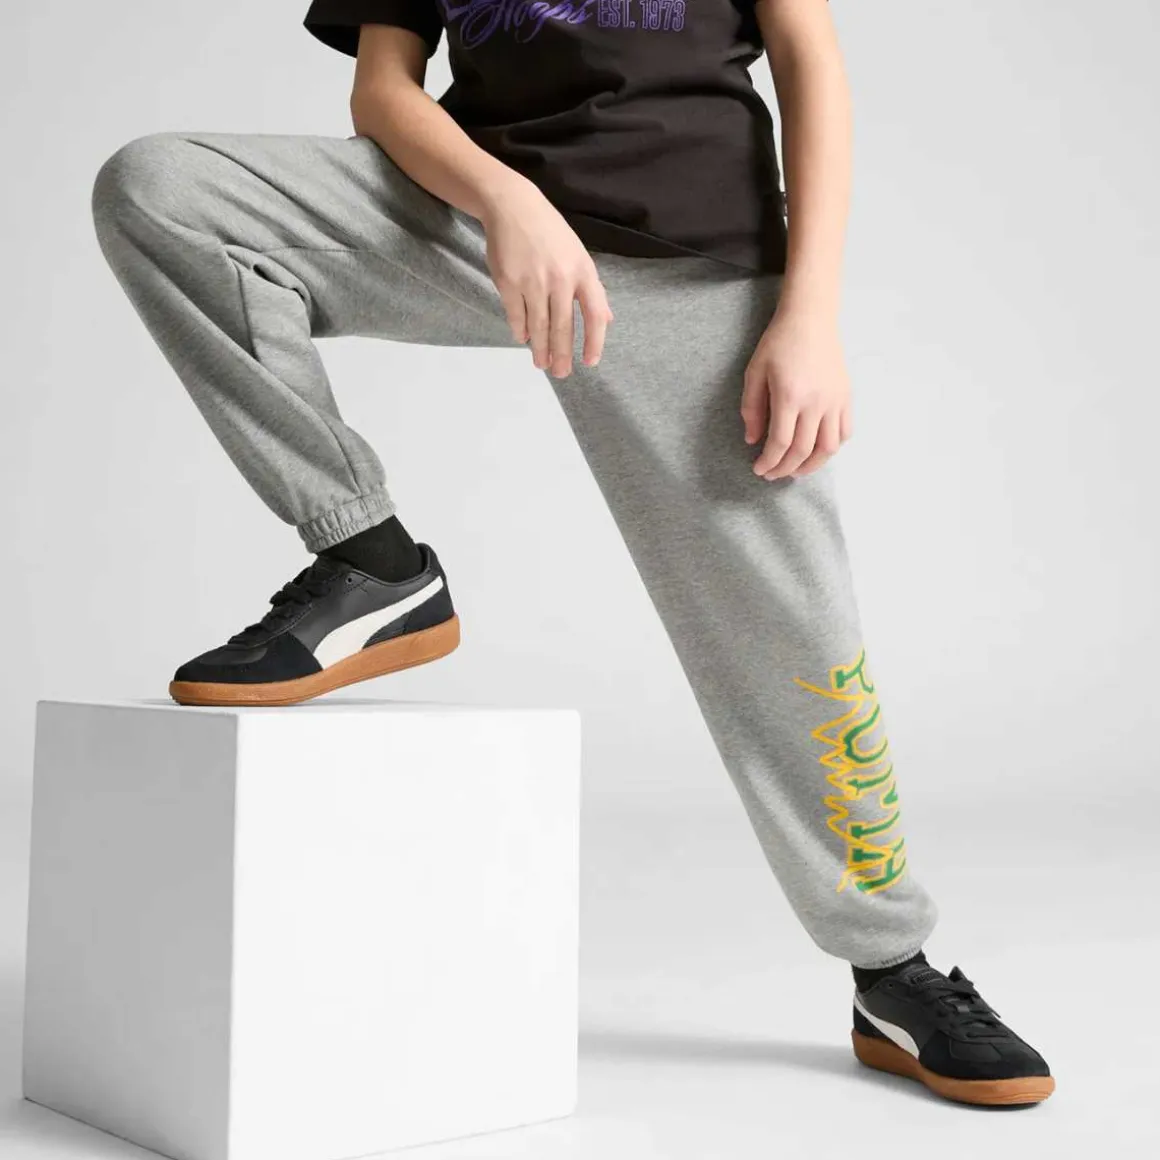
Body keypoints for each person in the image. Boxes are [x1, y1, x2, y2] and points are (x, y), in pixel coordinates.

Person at [90, 0, 1053, 1107]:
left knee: (794, 641)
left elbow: (808, 60)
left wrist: (809, 312)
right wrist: (507, 199)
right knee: (164, 187)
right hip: (476, 229)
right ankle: (372, 558)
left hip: (696, 260)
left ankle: (891, 968)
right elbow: (384, 92)